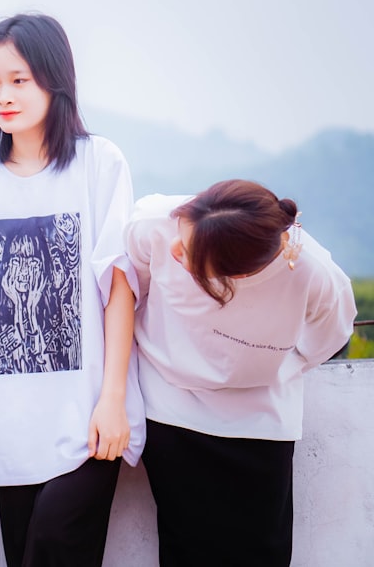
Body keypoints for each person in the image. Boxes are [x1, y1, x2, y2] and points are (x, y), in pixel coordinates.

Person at [0, 13, 145, 566]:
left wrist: (112, 399)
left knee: (54, 547)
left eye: (19, 79)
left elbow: (120, 289)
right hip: (9, 425)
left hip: (88, 421)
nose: (3, 95)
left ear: (53, 78)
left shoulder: (99, 163)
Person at [125, 179, 357, 567]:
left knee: (263, 548)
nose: (173, 249)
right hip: (171, 409)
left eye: (191, 255)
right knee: (186, 545)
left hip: (262, 421)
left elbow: (330, 332)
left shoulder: (311, 272)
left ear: (240, 275)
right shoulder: (153, 224)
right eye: (182, 234)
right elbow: (130, 291)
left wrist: (276, 365)